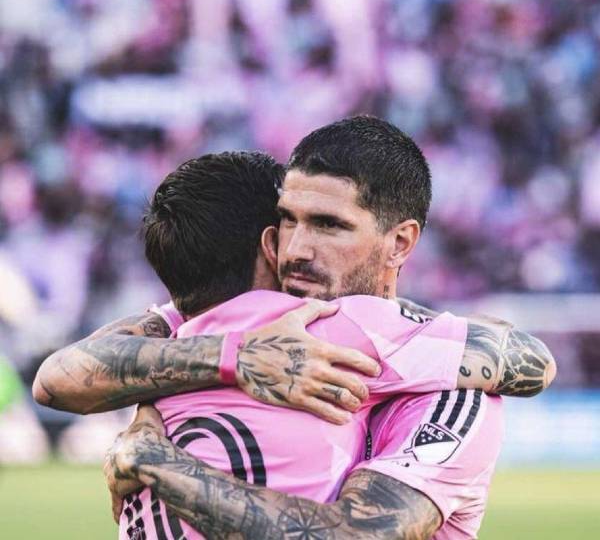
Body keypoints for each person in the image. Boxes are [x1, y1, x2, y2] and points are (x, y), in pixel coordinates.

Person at [35, 116, 555, 538]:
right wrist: (237, 355)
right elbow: (60, 377)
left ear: (399, 243)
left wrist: (153, 461)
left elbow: (529, 360)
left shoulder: (447, 389)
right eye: (289, 219)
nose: (298, 249)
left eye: (329, 225)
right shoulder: (240, 322)